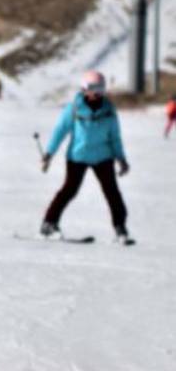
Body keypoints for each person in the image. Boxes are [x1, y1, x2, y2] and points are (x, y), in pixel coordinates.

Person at [40, 71, 132, 244]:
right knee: (69, 190)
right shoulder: (74, 108)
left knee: (112, 192)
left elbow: (115, 137)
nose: (96, 93)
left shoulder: (109, 110)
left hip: (103, 157)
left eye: (100, 88)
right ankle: (49, 223)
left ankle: (120, 228)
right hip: (78, 156)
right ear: (84, 89)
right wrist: (49, 154)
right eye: (92, 88)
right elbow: (60, 131)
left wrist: (121, 159)